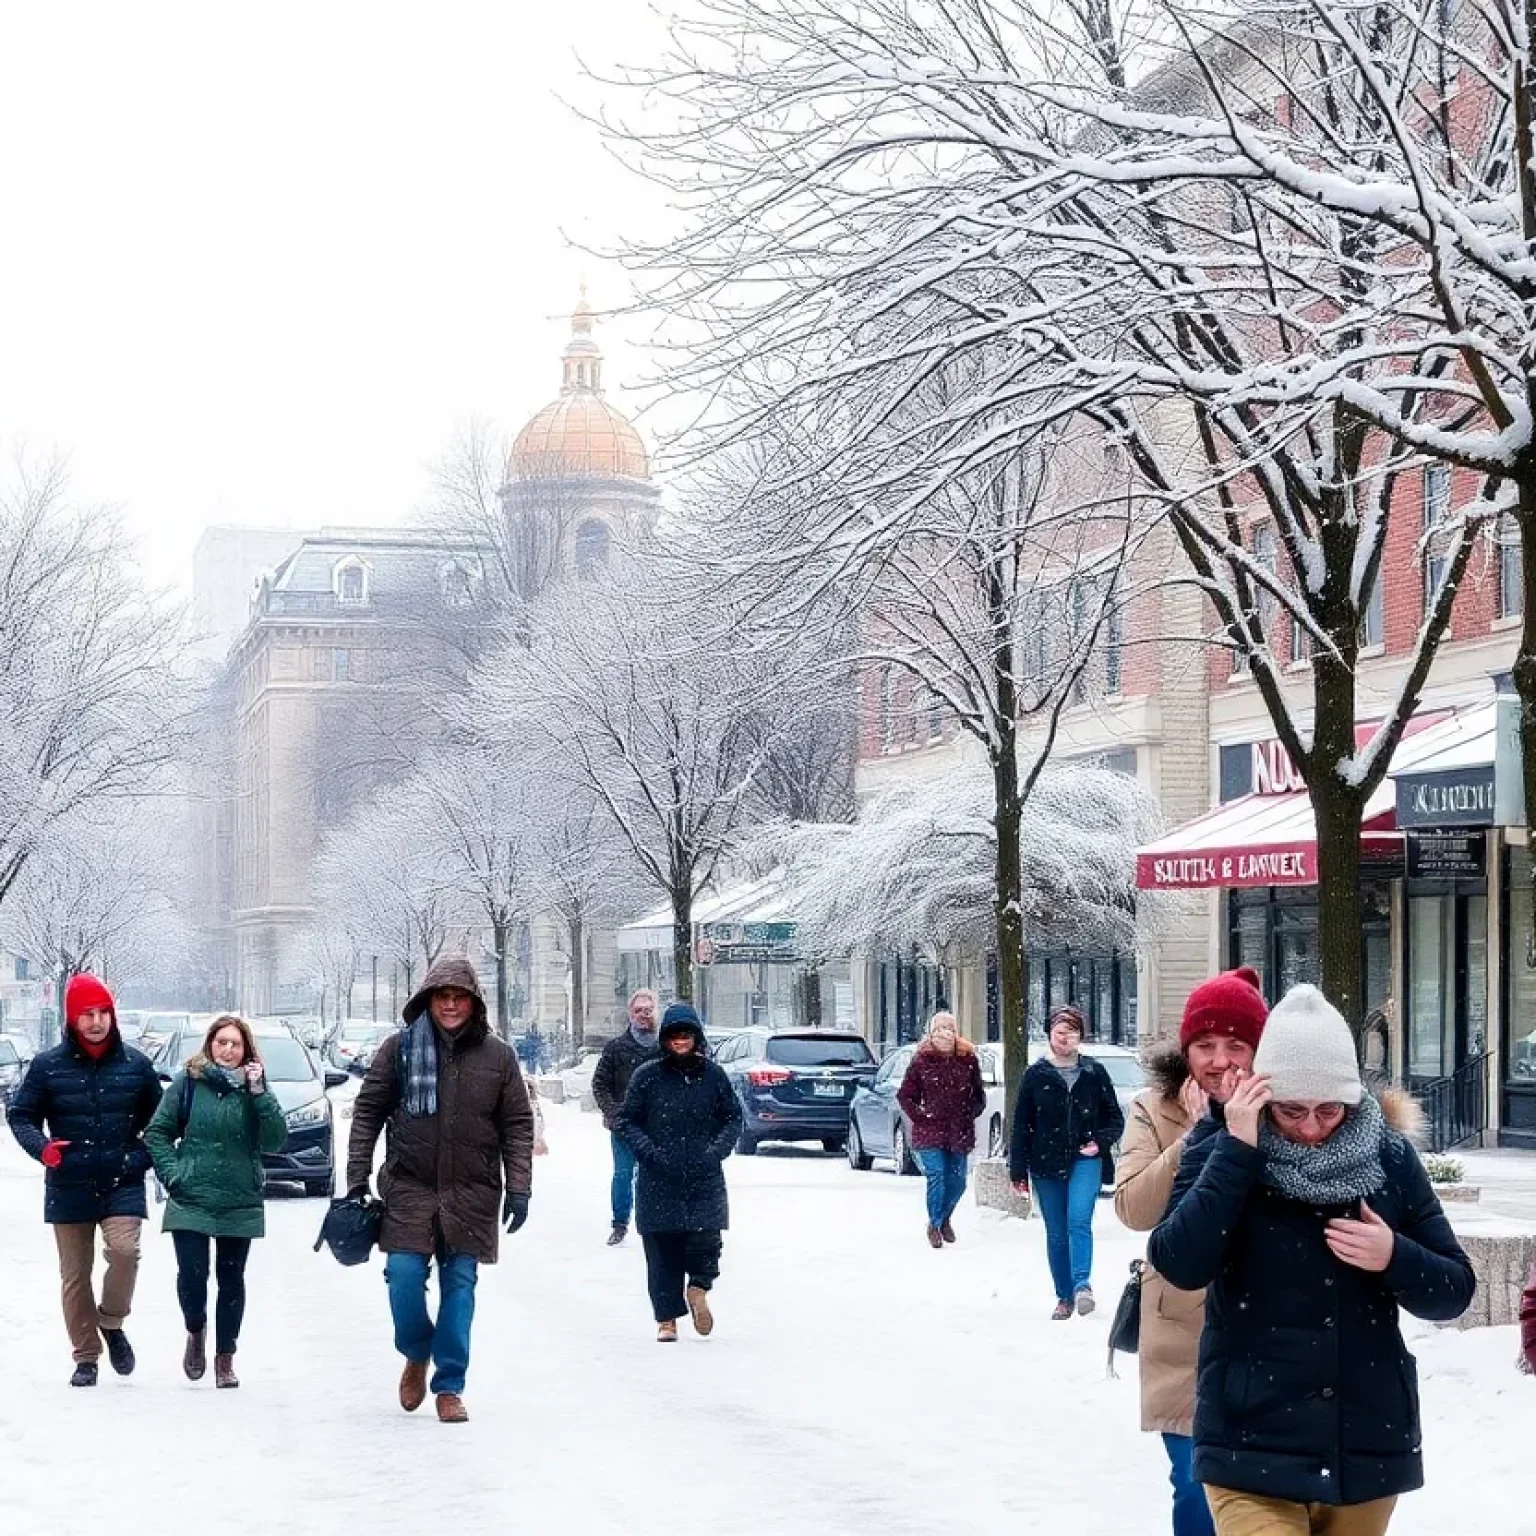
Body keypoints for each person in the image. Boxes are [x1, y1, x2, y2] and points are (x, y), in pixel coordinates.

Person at [1149, 984, 1475, 1536]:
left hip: (1363, 1445)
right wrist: (1237, 1152)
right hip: (1249, 1444)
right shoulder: (1221, 1146)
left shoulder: (1389, 1158)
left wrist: (1394, 1255)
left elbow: (1454, 1289)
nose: (1310, 1126)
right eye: (1291, 1110)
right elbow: (1179, 1261)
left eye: (1329, 1110)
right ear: (1261, 1095)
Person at [347, 957, 535, 1424]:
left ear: (473, 1003)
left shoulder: (499, 1056)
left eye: (459, 997)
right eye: (442, 996)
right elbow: (368, 1113)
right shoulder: (399, 1050)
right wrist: (355, 1179)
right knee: (404, 1276)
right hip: (409, 1187)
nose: (450, 1006)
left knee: (461, 1287)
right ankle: (415, 1349)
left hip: (472, 1191)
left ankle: (449, 1385)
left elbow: (516, 1124)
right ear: (427, 1000)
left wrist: (520, 1187)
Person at [1114, 967, 1268, 1536]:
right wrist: (1197, 1138)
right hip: (1183, 1332)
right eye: (1205, 1045)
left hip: (1264, 1329)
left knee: (1258, 1493)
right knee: (1198, 1485)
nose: (1220, 1059)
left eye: (1236, 1045)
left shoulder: (1286, 1107)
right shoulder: (1153, 1110)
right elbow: (1133, 1208)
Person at [6, 974, 162, 1387]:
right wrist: (43, 1149)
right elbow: (20, 1115)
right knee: (75, 1275)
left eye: (102, 1013)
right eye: (86, 1014)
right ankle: (86, 1356)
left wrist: (139, 1157)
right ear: (72, 1020)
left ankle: (111, 1323)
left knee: (125, 1252)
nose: (95, 1022)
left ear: (112, 1016)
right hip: (68, 1182)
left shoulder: (137, 1067)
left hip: (121, 1179)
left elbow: (162, 1124)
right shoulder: (47, 1066)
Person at [143, 1014, 288, 1388]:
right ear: (210, 1046)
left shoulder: (256, 1089)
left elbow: (274, 1141)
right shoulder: (188, 1084)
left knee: (231, 1279)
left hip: (239, 1198)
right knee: (192, 1276)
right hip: (191, 1195)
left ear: (246, 1051)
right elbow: (157, 1132)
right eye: (221, 1042)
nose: (227, 1049)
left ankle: (225, 1358)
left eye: (235, 1044)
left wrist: (260, 1095)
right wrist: (174, 1173)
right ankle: (195, 1330)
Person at [617, 1001, 743, 1342]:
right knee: (662, 1251)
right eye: (674, 1036)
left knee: (706, 1240)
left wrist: (716, 1151)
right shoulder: (647, 1077)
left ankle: (699, 1289)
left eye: (686, 1035)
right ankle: (667, 1319)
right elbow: (628, 1120)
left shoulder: (713, 1076)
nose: (680, 1042)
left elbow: (733, 1117)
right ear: (665, 1039)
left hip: (703, 1175)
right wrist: (649, 1152)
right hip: (659, 1176)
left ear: (696, 1037)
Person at [1009, 1005, 1125, 1318]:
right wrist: (1017, 1170)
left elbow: (1115, 1117)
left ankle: (1082, 1285)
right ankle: (1064, 1296)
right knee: (1057, 1231)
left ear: (1080, 1036)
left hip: (1085, 1158)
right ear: (1050, 1033)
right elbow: (1021, 1125)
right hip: (1044, 1162)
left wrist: (1099, 1142)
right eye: (1060, 1031)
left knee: (1078, 1220)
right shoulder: (1036, 1075)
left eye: (1072, 1031)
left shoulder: (1093, 1073)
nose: (1065, 1037)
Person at [896, 1011, 986, 1248]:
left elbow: (978, 1095)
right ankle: (934, 1225)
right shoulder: (921, 1060)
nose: (944, 1033)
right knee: (936, 1175)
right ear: (931, 1032)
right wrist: (921, 1116)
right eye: (939, 1028)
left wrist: (969, 1113)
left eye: (949, 1028)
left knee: (958, 1181)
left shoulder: (968, 1058)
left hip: (959, 1129)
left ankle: (945, 1217)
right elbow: (905, 1095)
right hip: (930, 1129)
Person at [592, 988, 662, 1246]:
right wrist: (614, 1112)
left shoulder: (664, 1048)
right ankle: (620, 1223)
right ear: (629, 1014)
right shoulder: (616, 1048)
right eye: (638, 1010)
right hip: (623, 1126)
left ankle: (653, 1221)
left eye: (648, 1010)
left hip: (656, 1125)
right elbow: (600, 1084)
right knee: (623, 1174)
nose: (643, 1015)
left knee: (653, 1174)